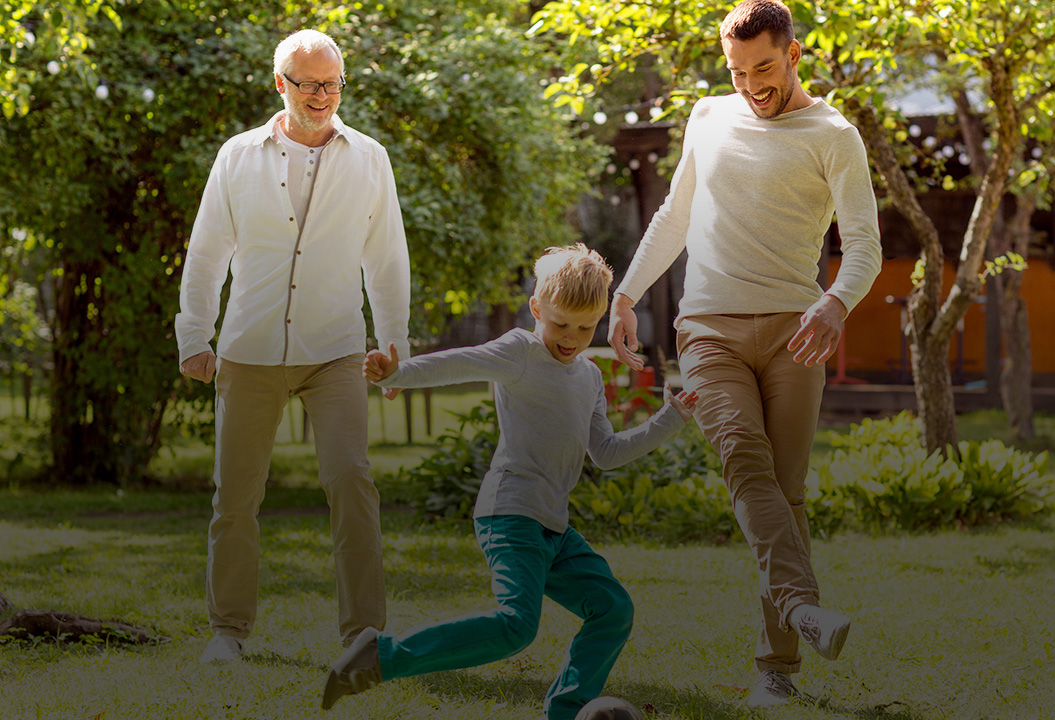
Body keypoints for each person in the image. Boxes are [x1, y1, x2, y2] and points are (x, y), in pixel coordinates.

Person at [607, 0, 883, 708]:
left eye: (763, 67)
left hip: (797, 331)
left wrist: (835, 302)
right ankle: (801, 612)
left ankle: (776, 670)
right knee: (745, 464)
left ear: (794, 55)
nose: (751, 84)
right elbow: (675, 213)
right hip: (708, 330)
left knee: (784, 496)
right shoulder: (708, 116)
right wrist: (627, 293)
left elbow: (865, 245)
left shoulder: (834, 134)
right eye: (737, 70)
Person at [321, 244, 698, 719]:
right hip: (510, 515)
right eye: (560, 323)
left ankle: (567, 711)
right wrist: (398, 372)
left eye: (585, 328)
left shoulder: (588, 377)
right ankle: (381, 657)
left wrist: (672, 417)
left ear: (602, 318)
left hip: (553, 530)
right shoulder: (520, 351)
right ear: (537, 307)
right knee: (517, 626)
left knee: (613, 609)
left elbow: (605, 453)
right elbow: (462, 361)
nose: (571, 338)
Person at [174, 28, 411, 663]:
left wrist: (394, 344)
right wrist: (194, 335)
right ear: (281, 84)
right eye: (308, 84)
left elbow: (386, 259)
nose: (322, 95)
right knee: (235, 495)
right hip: (249, 349)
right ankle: (228, 632)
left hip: (334, 348)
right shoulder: (238, 156)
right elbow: (205, 253)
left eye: (332, 83)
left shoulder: (370, 157)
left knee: (352, 481)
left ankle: (363, 633)